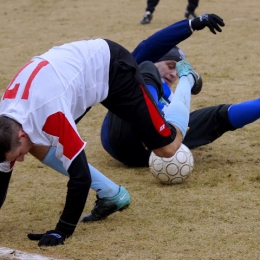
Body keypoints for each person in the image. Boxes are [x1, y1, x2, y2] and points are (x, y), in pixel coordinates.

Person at [0, 33, 201, 246]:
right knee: (36, 146)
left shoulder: (51, 115)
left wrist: (62, 231)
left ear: (21, 134)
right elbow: (3, 171)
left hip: (112, 68)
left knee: (167, 148)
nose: (19, 160)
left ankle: (187, 79)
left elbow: (80, 177)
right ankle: (112, 195)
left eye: (18, 155)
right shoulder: (6, 122)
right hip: (74, 76)